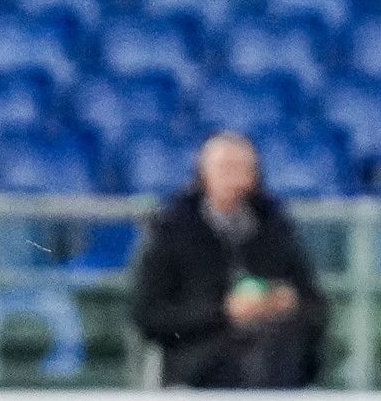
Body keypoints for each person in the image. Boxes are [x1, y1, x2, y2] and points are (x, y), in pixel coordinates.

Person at [132, 132, 329, 387]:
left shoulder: (276, 229)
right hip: (198, 364)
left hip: (276, 360)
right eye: (225, 168)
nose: (234, 178)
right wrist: (223, 312)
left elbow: (316, 308)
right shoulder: (171, 232)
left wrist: (286, 302)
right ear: (203, 173)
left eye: (242, 169)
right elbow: (149, 316)